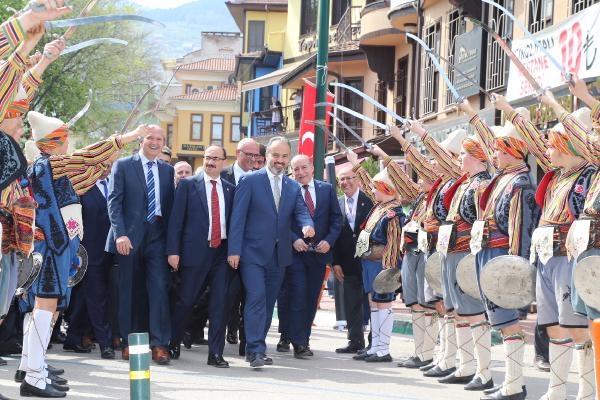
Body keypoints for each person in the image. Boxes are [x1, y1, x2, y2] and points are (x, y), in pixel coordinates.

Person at [19, 110, 149, 397]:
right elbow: (86, 158)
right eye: (64, 138)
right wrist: (125, 138)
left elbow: (83, 176)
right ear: (53, 141)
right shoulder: (48, 164)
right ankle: (34, 376)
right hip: (52, 246)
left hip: (55, 246)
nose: (69, 143)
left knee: (46, 310)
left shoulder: (48, 166)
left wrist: (107, 158)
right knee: (45, 309)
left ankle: (33, 369)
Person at [495, 92, 596, 400]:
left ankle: (587, 390)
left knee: (577, 326)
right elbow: (533, 142)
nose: (546, 148)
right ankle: (556, 389)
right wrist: (510, 112)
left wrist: (556, 104)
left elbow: (582, 140)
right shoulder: (556, 176)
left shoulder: (591, 170)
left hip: (571, 256)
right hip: (545, 255)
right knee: (552, 325)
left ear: (569, 144)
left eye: (554, 143)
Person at [465, 100, 540, 400]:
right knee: (499, 321)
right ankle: (510, 380)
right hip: (488, 252)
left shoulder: (520, 183)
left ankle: (514, 384)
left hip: (501, 256)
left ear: (510, 151)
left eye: (497, 149)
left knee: (508, 322)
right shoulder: (503, 179)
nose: (493, 153)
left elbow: (520, 232)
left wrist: (516, 271)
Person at [227, 136, 314, 368]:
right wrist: (234, 250)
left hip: (279, 255)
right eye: (276, 155)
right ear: (266, 156)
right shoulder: (249, 181)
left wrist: (307, 224)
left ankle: (256, 345)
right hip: (252, 254)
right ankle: (255, 350)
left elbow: (301, 211)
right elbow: (238, 218)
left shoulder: (293, 186)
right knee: (256, 298)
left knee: (267, 304)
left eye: (284, 156)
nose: (280, 160)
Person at [106, 126, 175, 365]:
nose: (155, 142)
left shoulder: (168, 171)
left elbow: (171, 209)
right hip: (130, 237)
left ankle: (159, 344)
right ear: (141, 141)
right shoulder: (124, 165)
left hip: (157, 236)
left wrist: (173, 246)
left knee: (158, 289)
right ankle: (128, 342)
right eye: (150, 138)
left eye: (159, 139)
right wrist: (120, 234)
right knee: (128, 291)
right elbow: (114, 202)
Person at [167, 145, 235, 368]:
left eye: (216, 158)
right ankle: (173, 342)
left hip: (221, 254)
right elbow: (176, 221)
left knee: (219, 305)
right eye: (207, 158)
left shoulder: (229, 189)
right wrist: (173, 251)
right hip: (195, 252)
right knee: (186, 300)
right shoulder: (188, 185)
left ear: (224, 162)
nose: (210, 162)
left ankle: (215, 354)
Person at [346, 147, 407, 363]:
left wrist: (389, 274)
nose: (373, 191)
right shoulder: (381, 206)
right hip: (370, 262)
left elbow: (392, 244)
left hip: (381, 264)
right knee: (374, 304)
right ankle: (375, 346)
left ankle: (383, 348)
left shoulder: (392, 213)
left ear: (386, 189)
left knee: (383, 304)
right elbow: (370, 189)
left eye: (377, 188)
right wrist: (356, 163)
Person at [278, 154, 342, 359]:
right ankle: (298, 342)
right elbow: (281, 221)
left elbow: (336, 219)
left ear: (312, 168)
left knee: (310, 298)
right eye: (296, 169)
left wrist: (328, 241)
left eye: (304, 168)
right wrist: (293, 239)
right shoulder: (286, 189)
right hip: (295, 253)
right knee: (296, 295)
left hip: (318, 255)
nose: (300, 173)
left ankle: (300, 337)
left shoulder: (326, 190)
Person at [64, 163, 116, 359]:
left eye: (110, 162)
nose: (107, 166)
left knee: (87, 296)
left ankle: (73, 336)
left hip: (112, 251)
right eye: (103, 161)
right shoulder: (80, 187)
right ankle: (105, 343)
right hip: (87, 251)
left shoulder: (114, 184)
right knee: (97, 296)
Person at [221, 137, 259, 352]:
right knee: (227, 294)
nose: (252, 159)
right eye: (248, 155)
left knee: (248, 293)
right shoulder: (223, 174)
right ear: (238, 153)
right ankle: (229, 326)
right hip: (223, 244)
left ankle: (247, 342)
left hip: (250, 248)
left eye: (256, 156)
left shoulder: (258, 179)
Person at [332, 165, 374, 354]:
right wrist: (335, 262)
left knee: (374, 302)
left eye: (349, 178)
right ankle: (355, 341)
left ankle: (376, 342)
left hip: (369, 261)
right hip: (347, 262)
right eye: (341, 179)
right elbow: (335, 236)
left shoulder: (371, 202)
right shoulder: (337, 203)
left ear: (358, 180)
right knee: (351, 303)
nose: (345, 182)